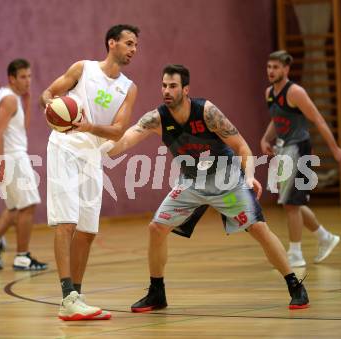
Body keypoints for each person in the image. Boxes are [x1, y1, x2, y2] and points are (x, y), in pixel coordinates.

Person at [103, 64, 309, 311]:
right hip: (191, 182)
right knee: (157, 228)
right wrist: (95, 146)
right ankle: (157, 292)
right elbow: (124, 140)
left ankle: (295, 284)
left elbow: (242, 147)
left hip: (226, 180)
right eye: (164, 85)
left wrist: (249, 177)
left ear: (186, 89)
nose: (166, 91)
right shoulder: (157, 118)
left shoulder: (207, 112)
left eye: (173, 86)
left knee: (258, 228)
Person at [40, 24, 139, 321]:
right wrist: (51, 107)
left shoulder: (129, 88)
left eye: (136, 45)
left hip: (92, 154)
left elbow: (119, 129)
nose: (134, 49)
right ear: (112, 43)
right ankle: (67, 296)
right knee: (66, 221)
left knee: (88, 230)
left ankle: (77, 298)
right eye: (129, 43)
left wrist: (89, 127)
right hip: (64, 146)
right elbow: (49, 92)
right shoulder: (83, 69)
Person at [261, 50, 341, 267]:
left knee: (290, 204)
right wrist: (265, 139)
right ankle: (325, 237)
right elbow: (276, 118)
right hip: (284, 149)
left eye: (276, 67)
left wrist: (335, 149)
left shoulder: (295, 92)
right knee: (293, 203)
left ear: (286, 69)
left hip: (299, 148)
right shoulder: (269, 93)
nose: (271, 71)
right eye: (269, 67)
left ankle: (296, 254)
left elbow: (318, 120)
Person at [0, 58, 47, 271]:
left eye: (29, 76)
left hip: (10, 156)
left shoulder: (11, 97)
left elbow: (21, 130)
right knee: (29, 205)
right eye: (23, 77)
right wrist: (1, 164)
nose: (28, 81)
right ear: (12, 78)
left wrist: (27, 103)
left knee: (15, 207)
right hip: (12, 158)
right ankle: (22, 257)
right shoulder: (9, 99)